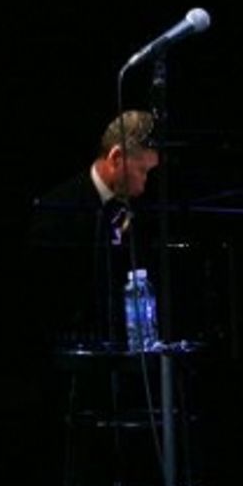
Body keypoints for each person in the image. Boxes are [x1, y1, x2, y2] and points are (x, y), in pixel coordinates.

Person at [29, 110, 161, 347]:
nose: (145, 185)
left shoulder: (140, 208)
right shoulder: (58, 210)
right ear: (116, 158)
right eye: (143, 171)